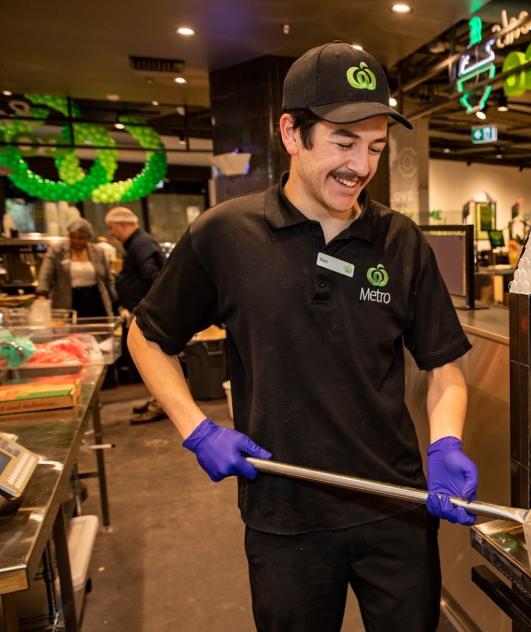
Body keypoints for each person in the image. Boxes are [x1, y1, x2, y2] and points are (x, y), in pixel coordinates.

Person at [127, 41, 477, 632]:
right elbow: (148, 334)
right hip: (284, 515)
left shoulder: (401, 241)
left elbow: (443, 367)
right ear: (292, 133)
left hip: (393, 508)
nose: (361, 166)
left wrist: (444, 443)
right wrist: (197, 428)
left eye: (375, 147)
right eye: (343, 143)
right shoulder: (225, 234)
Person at [105, 206, 166, 422]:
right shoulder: (136, 243)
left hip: (147, 313)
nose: (110, 232)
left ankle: (161, 405)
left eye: (111, 228)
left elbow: (153, 277)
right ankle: (157, 400)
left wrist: (149, 310)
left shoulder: (141, 243)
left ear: (124, 224)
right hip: (141, 310)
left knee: (155, 360)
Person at [36, 218, 116, 317]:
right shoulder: (57, 251)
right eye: (72, 237)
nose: (76, 241)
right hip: (68, 300)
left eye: (81, 238)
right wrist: (42, 293)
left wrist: (116, 300)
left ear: (88, 238)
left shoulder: (98, 251)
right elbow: (45, 274)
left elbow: (108, 279)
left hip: (95, 299)